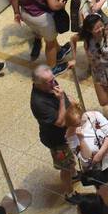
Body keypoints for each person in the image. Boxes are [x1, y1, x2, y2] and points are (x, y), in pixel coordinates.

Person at [29, 66, 79, 203]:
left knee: (70, 160)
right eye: (49, 82)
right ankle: (70, 193)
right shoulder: (38, 103)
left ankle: (74, 175)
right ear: (39, 83)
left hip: (66, 133)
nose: (53, 83)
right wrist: (63, 100)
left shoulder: (49, 84)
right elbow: (60, 122)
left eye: (53, 79)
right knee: (66, 167)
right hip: (56, 140)